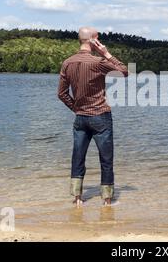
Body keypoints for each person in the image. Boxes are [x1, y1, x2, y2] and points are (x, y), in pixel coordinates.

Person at [58, 27, 129, 207]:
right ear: (93, 40)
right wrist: (106, 53)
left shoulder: (67, 63)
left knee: (78, 156)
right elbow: (123, 72)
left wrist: (76, 108)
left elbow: (62, 93)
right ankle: (106, 200)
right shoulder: (98, 62)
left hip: (80, 118)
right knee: (106, 159)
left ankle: (77, 197)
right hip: (100, 116)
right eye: (98, 38)